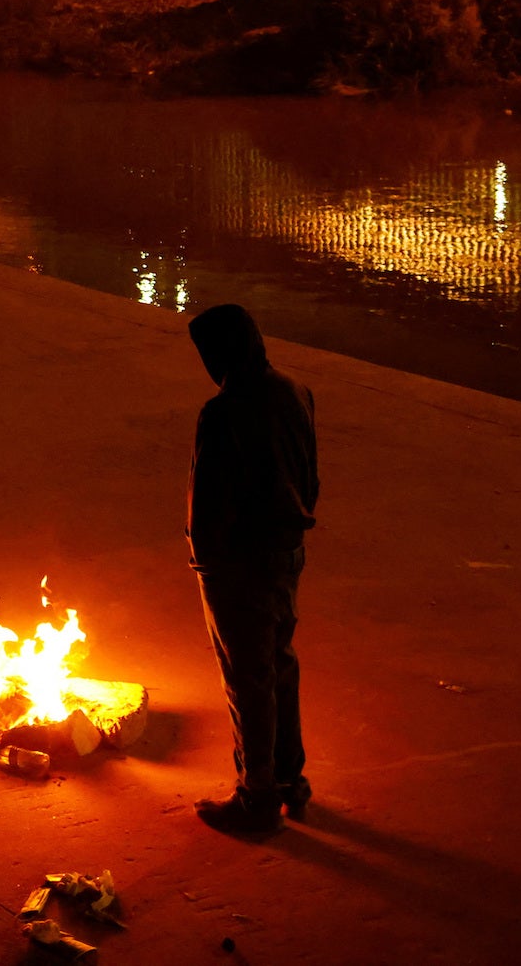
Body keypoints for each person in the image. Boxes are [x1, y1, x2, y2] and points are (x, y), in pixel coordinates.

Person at [185, 303, 320, 836]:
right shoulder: (295, 391)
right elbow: (310, 475)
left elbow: (211, 497)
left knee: (248, 678)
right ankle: (291, 781)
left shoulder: (223, 411)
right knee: (279, 665)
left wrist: (205, 561)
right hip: (287, 552)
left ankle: (256, 796)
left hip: (239, 563)